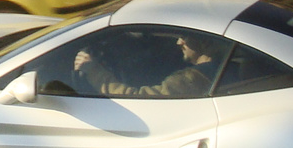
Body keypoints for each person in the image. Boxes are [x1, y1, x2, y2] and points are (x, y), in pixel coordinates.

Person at [73, 32, 218, 99]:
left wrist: (94, 72)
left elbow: (135, 98)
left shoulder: (190, 80)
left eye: (185, 37)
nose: (178, 42)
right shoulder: (227, 65)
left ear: (205, 42)